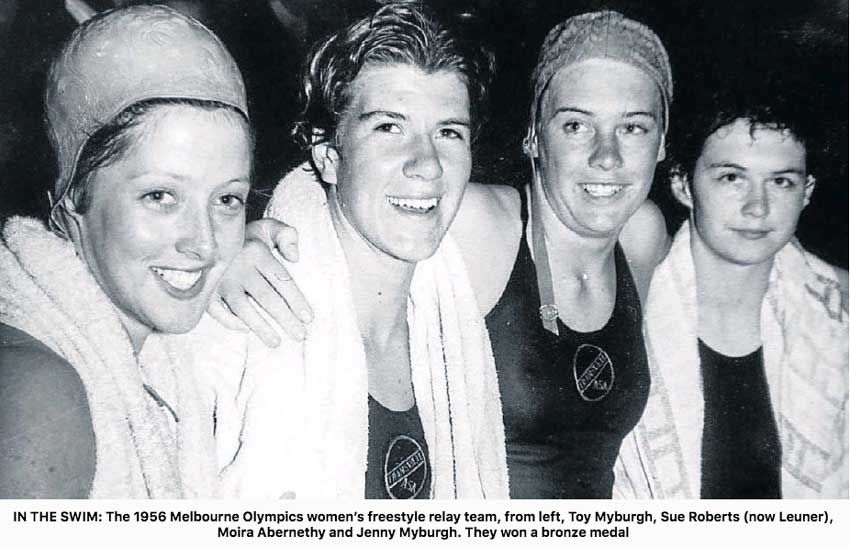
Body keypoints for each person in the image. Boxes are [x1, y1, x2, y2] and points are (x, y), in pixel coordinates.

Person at [213, 9, 672, 499]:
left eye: (633, 128)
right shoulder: (473, 225)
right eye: (576, 125)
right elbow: (332, 190)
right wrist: (225, 248)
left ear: (663, 142)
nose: (606, 157)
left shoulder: (641, 234)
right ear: (533, 136)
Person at [200, 2, 508, 500]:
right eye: (389, 127)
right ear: (328, 157)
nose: (428, 164)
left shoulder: (457, 308)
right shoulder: (244, 321)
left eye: (449, 132)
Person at [0, 5, 253, 498]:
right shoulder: (37, 394)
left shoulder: (147, 352)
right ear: (72, 197)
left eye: (227, 200)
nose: (203, 242)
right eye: (160, 196)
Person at [615, 87, 849, 498]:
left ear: (807, 191)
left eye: (781, 181)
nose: (757, 207)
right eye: (731, 178)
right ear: (683, 185)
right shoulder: (630, 305)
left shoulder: (839, 313)